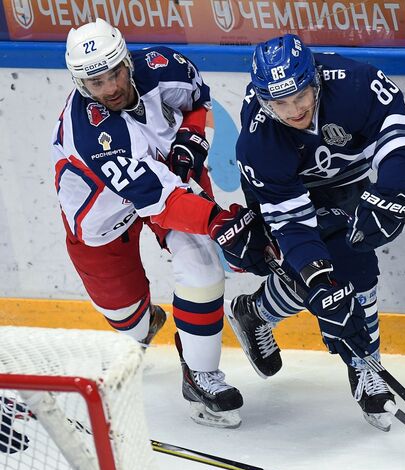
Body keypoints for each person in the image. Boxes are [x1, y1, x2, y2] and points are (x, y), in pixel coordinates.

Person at [52, 19, 256, 428]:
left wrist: (192, 138)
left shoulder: (164, 65)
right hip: (103, 216)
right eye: (97, 83)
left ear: (127, 60)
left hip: (168, 176)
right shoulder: (91, 133)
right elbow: (158, 203)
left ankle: (200, 375)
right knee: (127, 321)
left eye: (116, 73)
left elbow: (199, 101)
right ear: (80, 85)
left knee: (203, 266)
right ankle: (143, 324)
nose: (111, 88)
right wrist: (218, 221)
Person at [225, 34, 405, 431]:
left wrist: (392, 195)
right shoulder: (258, 141)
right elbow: (293, 224)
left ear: (314, 79)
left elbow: (404, 147)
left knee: (357, 270)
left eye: (300, 96)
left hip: (349, 182)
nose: (294, 110)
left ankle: (257, 314)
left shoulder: (357, 83)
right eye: (280, 103)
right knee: (321, 284)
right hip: (291, 193)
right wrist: (319, 278)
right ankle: (364, 362)